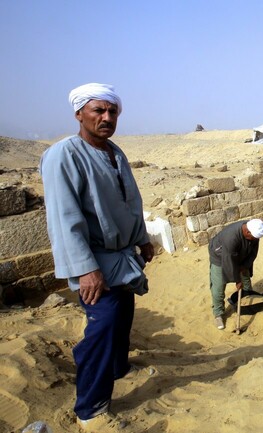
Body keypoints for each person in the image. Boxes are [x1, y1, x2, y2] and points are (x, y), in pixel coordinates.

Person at [40, 83, 154, 430]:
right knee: (103, 326)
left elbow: (130, 202)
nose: (106, 118)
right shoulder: (64, 155)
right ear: (79, 114)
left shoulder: (114, 152)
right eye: (98, 111)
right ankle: (90, 408)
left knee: (123, 316)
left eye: (112, 112)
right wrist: (86, 269)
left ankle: (119, 368)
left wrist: (142, 238)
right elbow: (64, 219)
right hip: (94, 260)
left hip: (122, 256)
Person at [208, 219, 263, 329]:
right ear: (247, 232)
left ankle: (248, 298)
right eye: (255, 238)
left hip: (240, 253)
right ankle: (218, 314)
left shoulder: (253, 230)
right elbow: (228, 262)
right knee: (218, 287)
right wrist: (237, 280)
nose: (256, 240)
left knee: (245, 277)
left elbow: (253, 254)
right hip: (220, 256)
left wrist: (244, 266)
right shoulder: (230, 238)